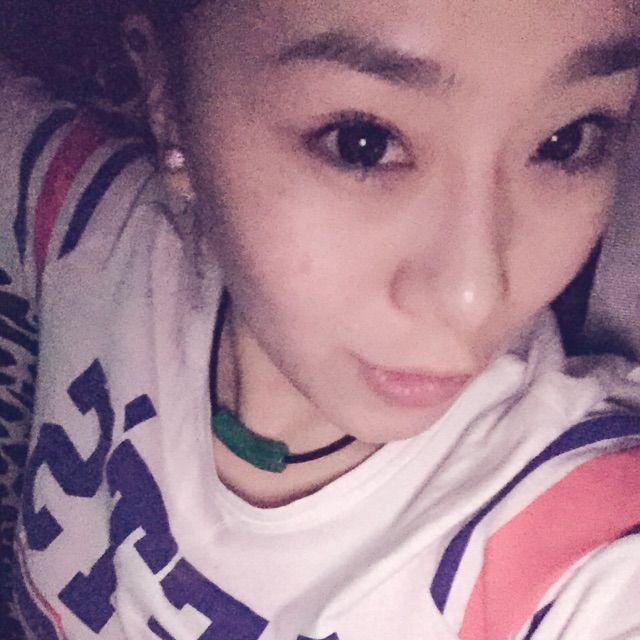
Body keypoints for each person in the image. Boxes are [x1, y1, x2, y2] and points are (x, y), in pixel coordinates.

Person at [3, 0, 640, 638]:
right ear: (169, 99)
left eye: (567, 141)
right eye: (363, 143)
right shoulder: (93, 229)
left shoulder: (580, 542)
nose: (473, 294)